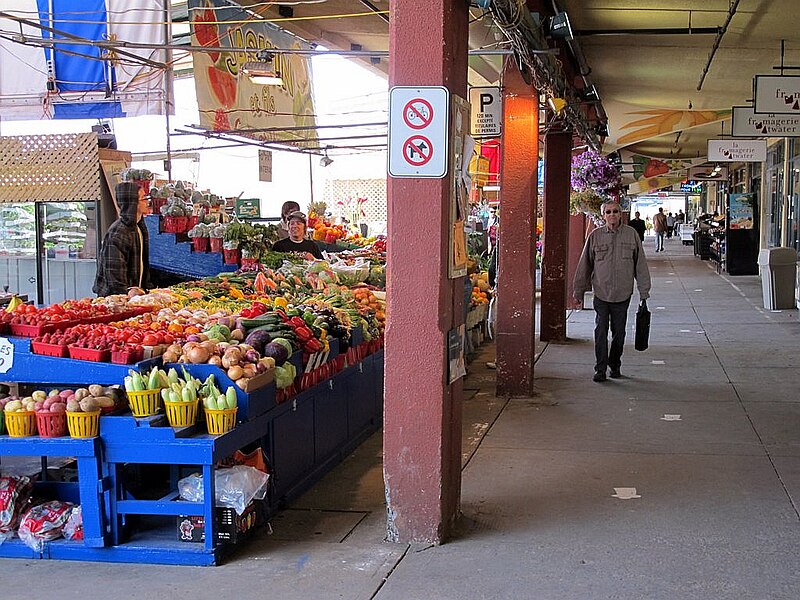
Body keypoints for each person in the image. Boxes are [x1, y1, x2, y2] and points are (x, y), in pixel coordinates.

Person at [572, 200, 651, 382]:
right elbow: (585, 264)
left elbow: (641, 265)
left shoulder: (631, 235)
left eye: (615, 211)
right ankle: (600, 368)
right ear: (603, 215)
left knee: (619, 332)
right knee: (600, 330)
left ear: (620, 213)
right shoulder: (595, 236)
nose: (612, 215)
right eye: (608, 212)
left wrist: (644, 291)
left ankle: (614, 364)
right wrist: (579, 290)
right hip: (601, 292)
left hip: (623, 293)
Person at [93, 181, 152, 297]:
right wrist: (128, 292)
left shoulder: (138, 227)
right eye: (143, 198)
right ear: (133, 203)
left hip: (132, 296)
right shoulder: (119, 232)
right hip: (115, 298)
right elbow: (114, 276)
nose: (147, 202)